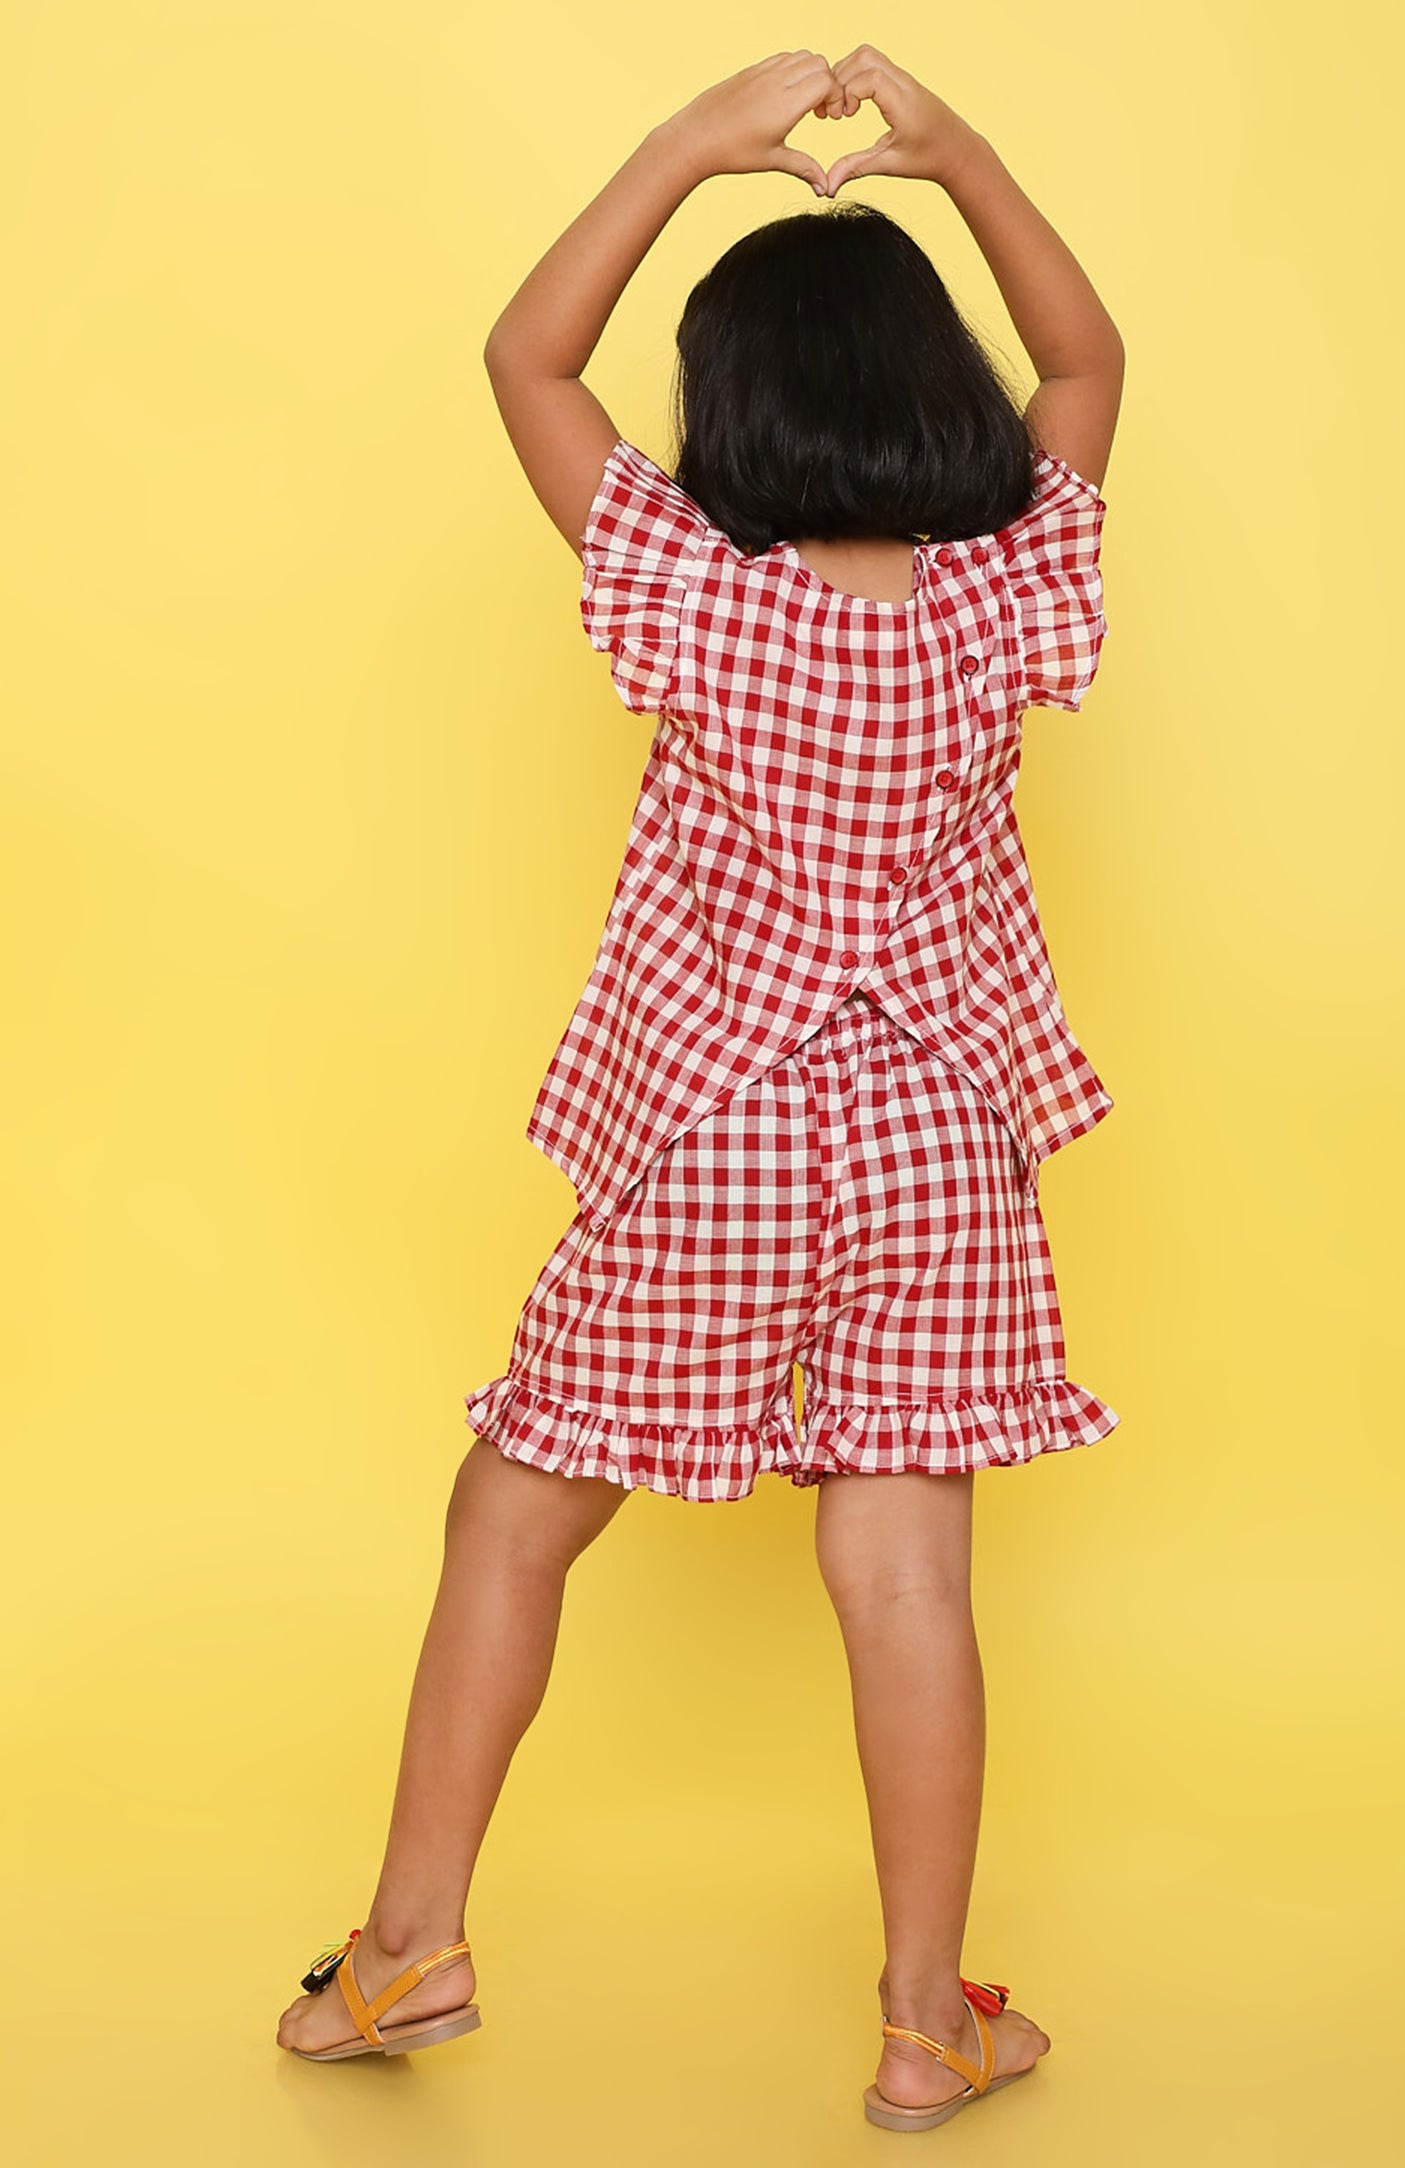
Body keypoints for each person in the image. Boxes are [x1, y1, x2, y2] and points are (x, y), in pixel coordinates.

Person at [276, 47, 1125, 2131]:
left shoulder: (685, 586)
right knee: (905, 1565)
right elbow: (1088, 357)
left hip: (721, 1129)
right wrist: (962, 159)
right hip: (937, 1126)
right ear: (940, 398)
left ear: (726, 408)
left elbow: (526, 355)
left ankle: (407, 1945)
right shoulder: (1010, 585)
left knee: (516, 1508)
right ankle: (930, 2018)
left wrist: (692, 145)